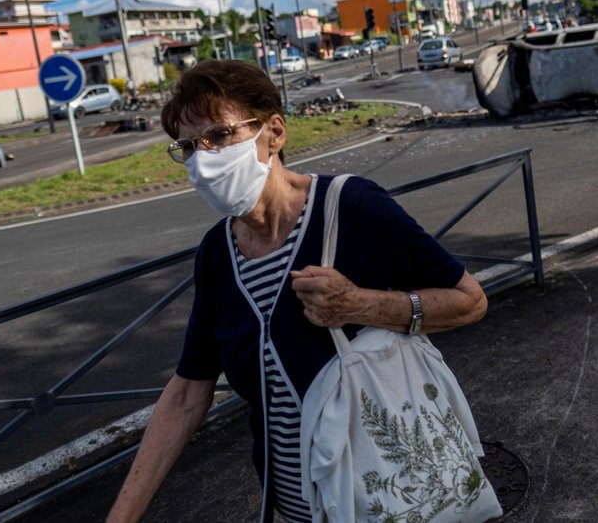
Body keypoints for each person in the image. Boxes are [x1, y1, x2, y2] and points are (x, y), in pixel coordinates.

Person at [106, 59, 488, 523]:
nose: (203, 159)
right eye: (188, 146)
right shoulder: (216, 254)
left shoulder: (352, 205)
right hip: (292, 505)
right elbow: (189, 390)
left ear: (275, 132)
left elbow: (470, 300)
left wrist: (362, 304)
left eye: (220, 136)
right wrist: (121, 517)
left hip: (392, 495)